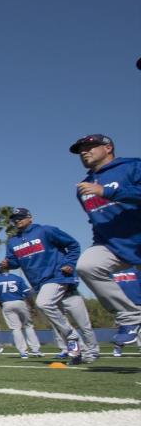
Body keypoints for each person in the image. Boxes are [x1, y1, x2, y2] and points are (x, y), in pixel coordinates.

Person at [1, 208, 98, 364]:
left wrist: (70, 263)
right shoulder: (13, 241)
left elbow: (73, 245)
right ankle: (78, 353)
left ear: (29, 218)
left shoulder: (45, 231)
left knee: (80, 322)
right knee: (61, 325)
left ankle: (93, 351)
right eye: (14, 219)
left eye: (20, 217)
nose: (17, 220)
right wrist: (8, 264)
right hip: (41, 284)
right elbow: (14, 262)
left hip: (59, 278)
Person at [70, 134, 141, 346]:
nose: (84, 151)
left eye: (90, 146)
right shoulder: (84, 186)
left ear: (108, 147)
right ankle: (130, 316)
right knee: (88, 265)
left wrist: (108, 191)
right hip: (112, 244)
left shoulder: (132, 166)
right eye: (81, 149)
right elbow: (97, 218)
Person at [0, 263, 43, 358]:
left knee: (16, 328)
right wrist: (32, 306)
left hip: (6, 303)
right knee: (28, 326)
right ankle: (36, 350)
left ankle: (23, 351)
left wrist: (2, 305)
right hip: (19, 302)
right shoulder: (17, 278)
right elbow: (27, 294)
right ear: (8, 269)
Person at [113, 270, 141, 356]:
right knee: (124, 328)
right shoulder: (110, 271)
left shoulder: (136, 268)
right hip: (121, 305)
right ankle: (118, 345)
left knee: (138, 327)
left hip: (138, 302)